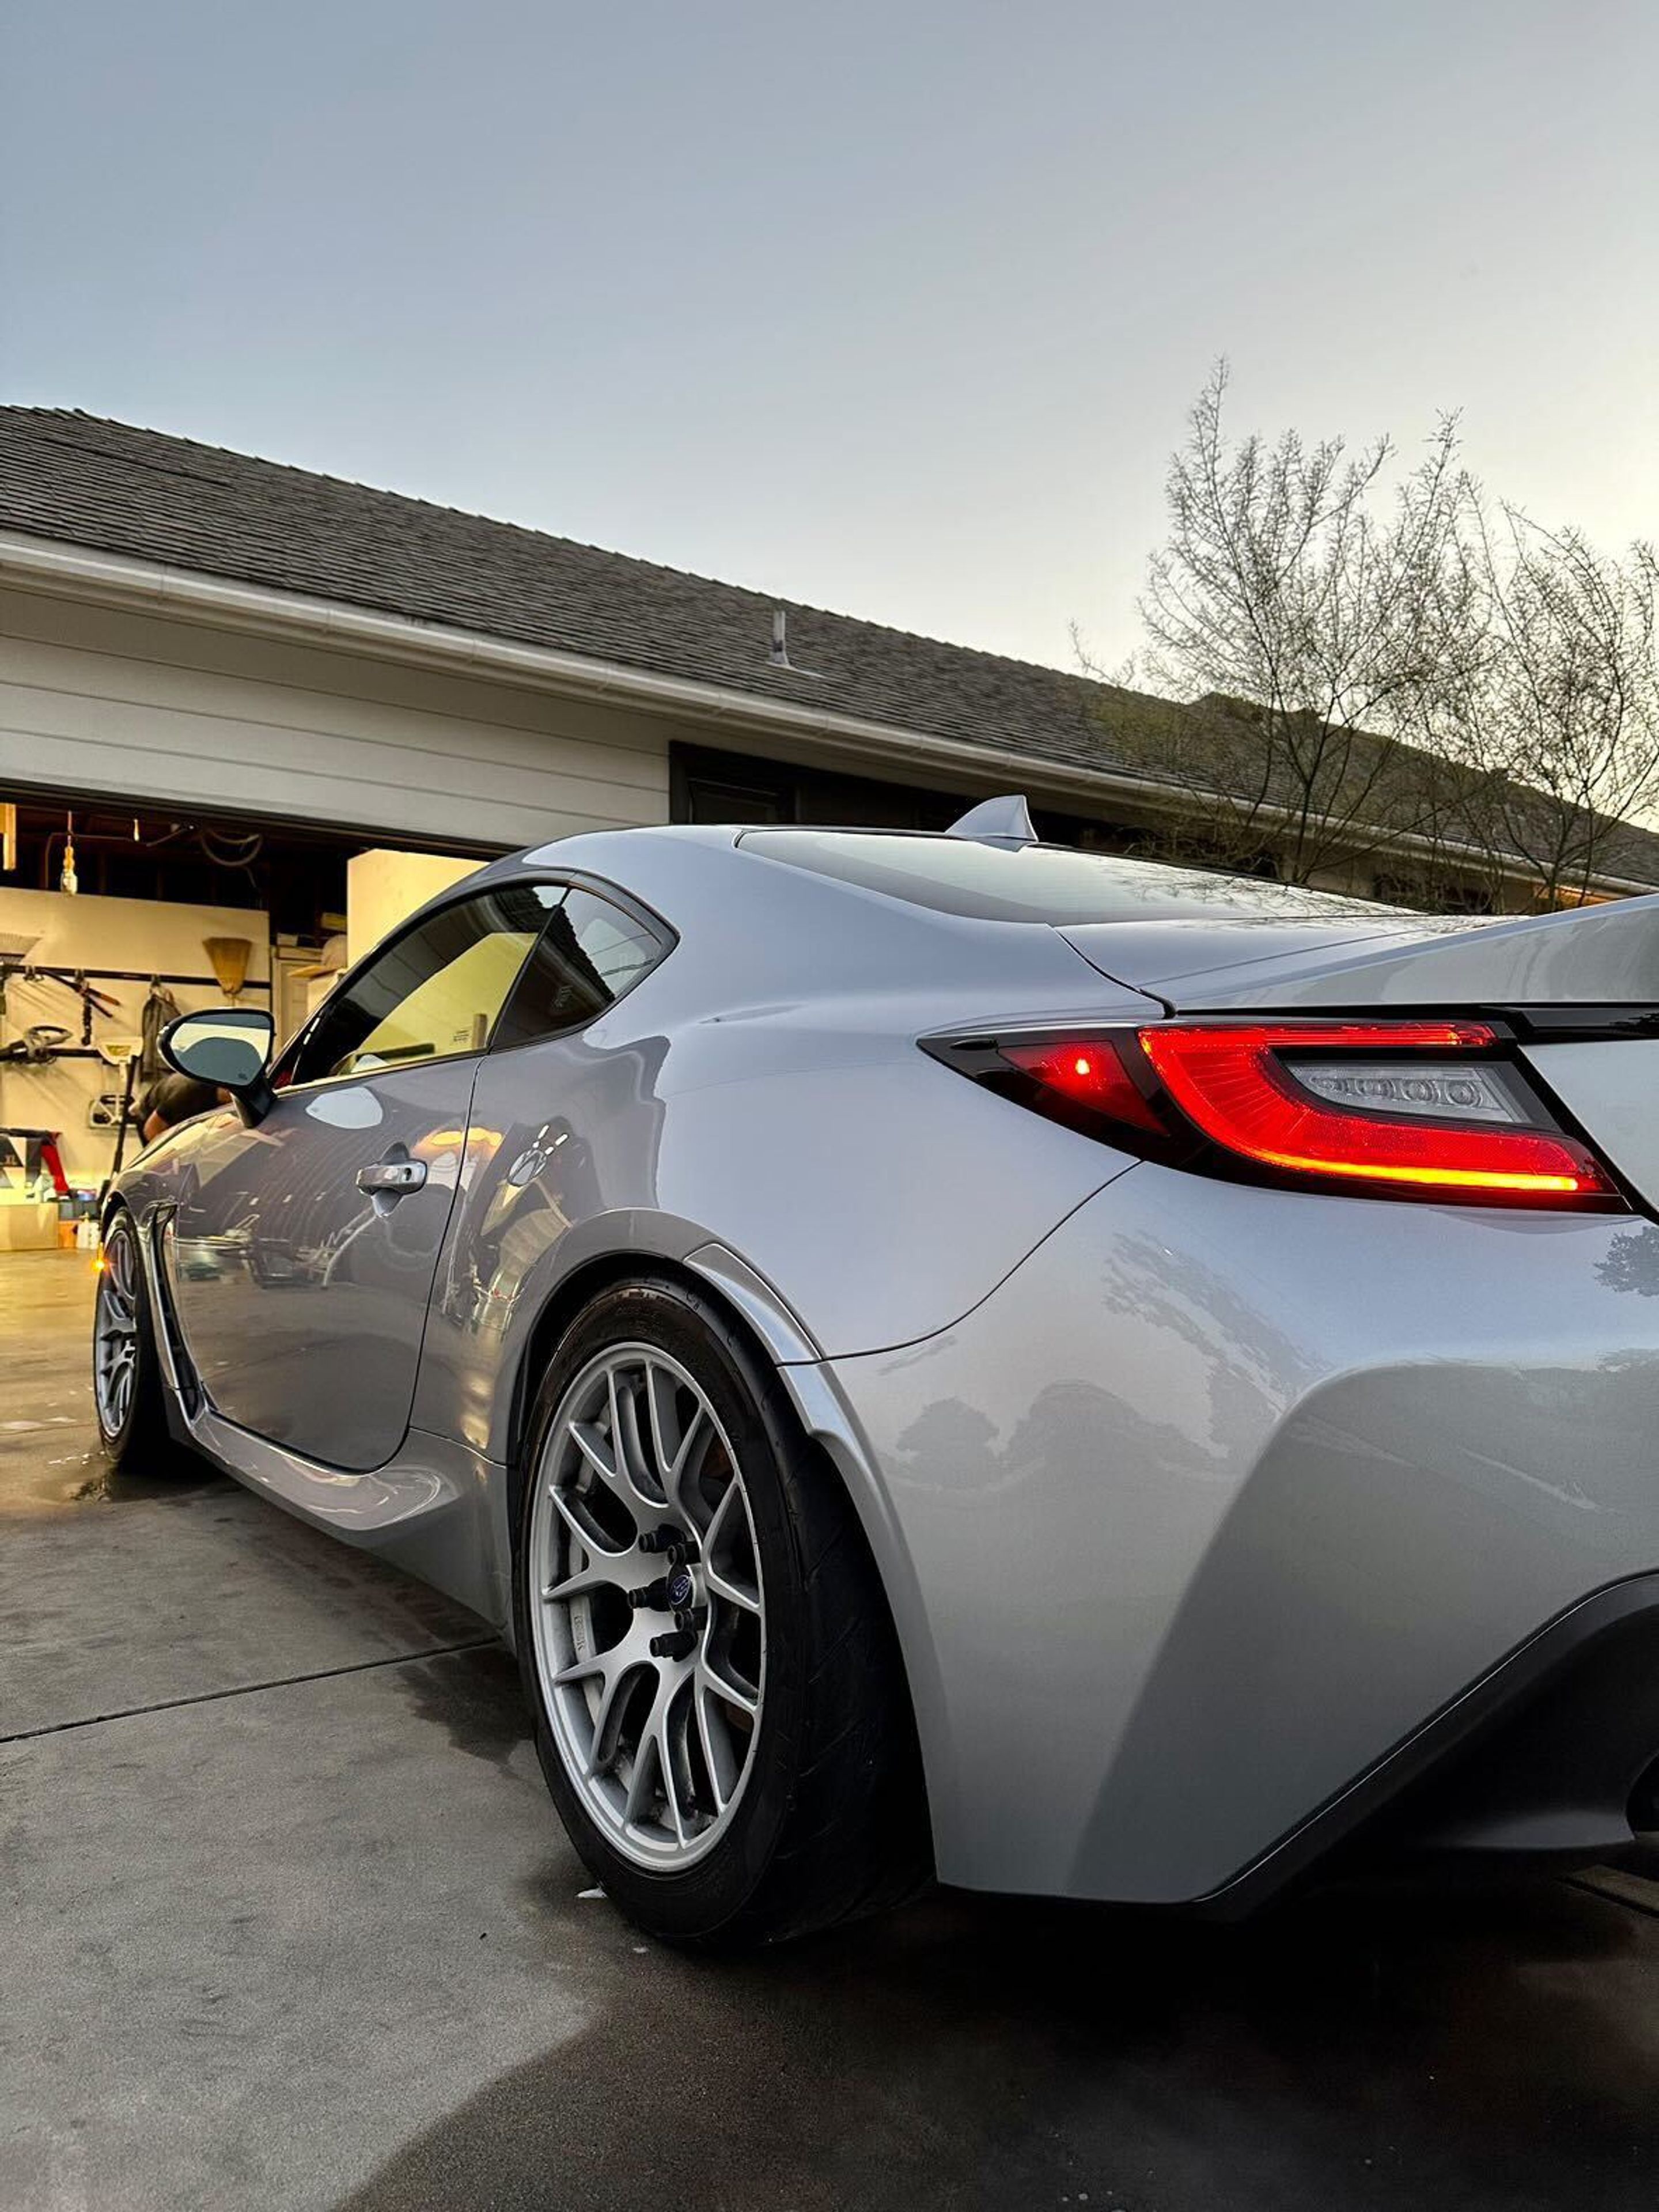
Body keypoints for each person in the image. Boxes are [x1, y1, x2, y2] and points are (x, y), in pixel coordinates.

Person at [135, 1073, 225, 1145]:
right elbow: (151, 1130)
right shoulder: (187, 1093)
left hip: (186, 1115)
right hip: (151, 1115)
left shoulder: (224, 1098)